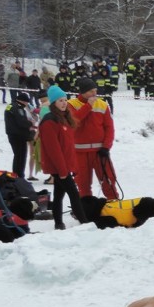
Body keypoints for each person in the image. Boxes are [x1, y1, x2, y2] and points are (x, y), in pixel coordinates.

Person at [40, 84, 88, 230]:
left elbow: (67, 147)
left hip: (65, 166)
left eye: (65, 100)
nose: (64, 103)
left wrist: (72, 167)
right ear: (53, 102)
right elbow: (54, 150)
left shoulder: (64, 118)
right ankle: (84, 222)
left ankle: (58, 223)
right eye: (60, 100)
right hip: (59, 167)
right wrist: (62, 171)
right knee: (74, 194)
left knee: (59, 195)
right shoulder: (49, 121)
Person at [68, 77, 119, 199]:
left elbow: (109, 128)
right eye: (91, 91)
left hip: (100, 151)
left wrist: (106, 146)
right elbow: (74, 122)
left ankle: (115, 204)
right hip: (79, 152)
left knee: (108, 179)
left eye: (95, 90)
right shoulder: (71, 105)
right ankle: (85, 208)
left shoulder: (102, 104)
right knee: (82, 182)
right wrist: (88, 106)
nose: (94, 93)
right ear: (82, 92)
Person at [4, 92, 34, 177]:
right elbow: (21, 122)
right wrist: (30, 123)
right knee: (21, 156)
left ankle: (16, 175)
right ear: (23, 101)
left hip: (13, 134)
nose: (27, 104)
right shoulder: (18, 108)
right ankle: (19, 175)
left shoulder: (10, 106)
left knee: (17, 155)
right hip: (19, 136)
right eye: (26, 102)